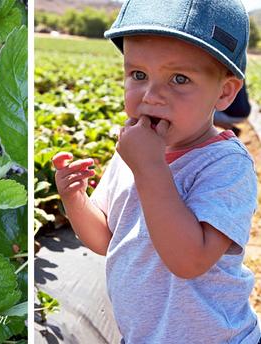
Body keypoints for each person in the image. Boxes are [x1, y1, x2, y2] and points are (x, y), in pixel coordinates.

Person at [52, 0, 260, 343]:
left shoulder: (225, 165)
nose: (151, 95)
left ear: (224, 92)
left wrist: (149, 168)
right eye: (138, 75)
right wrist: (75, 199)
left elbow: (189, 261)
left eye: (179, 79)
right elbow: (107, 238)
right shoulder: (134, 154)